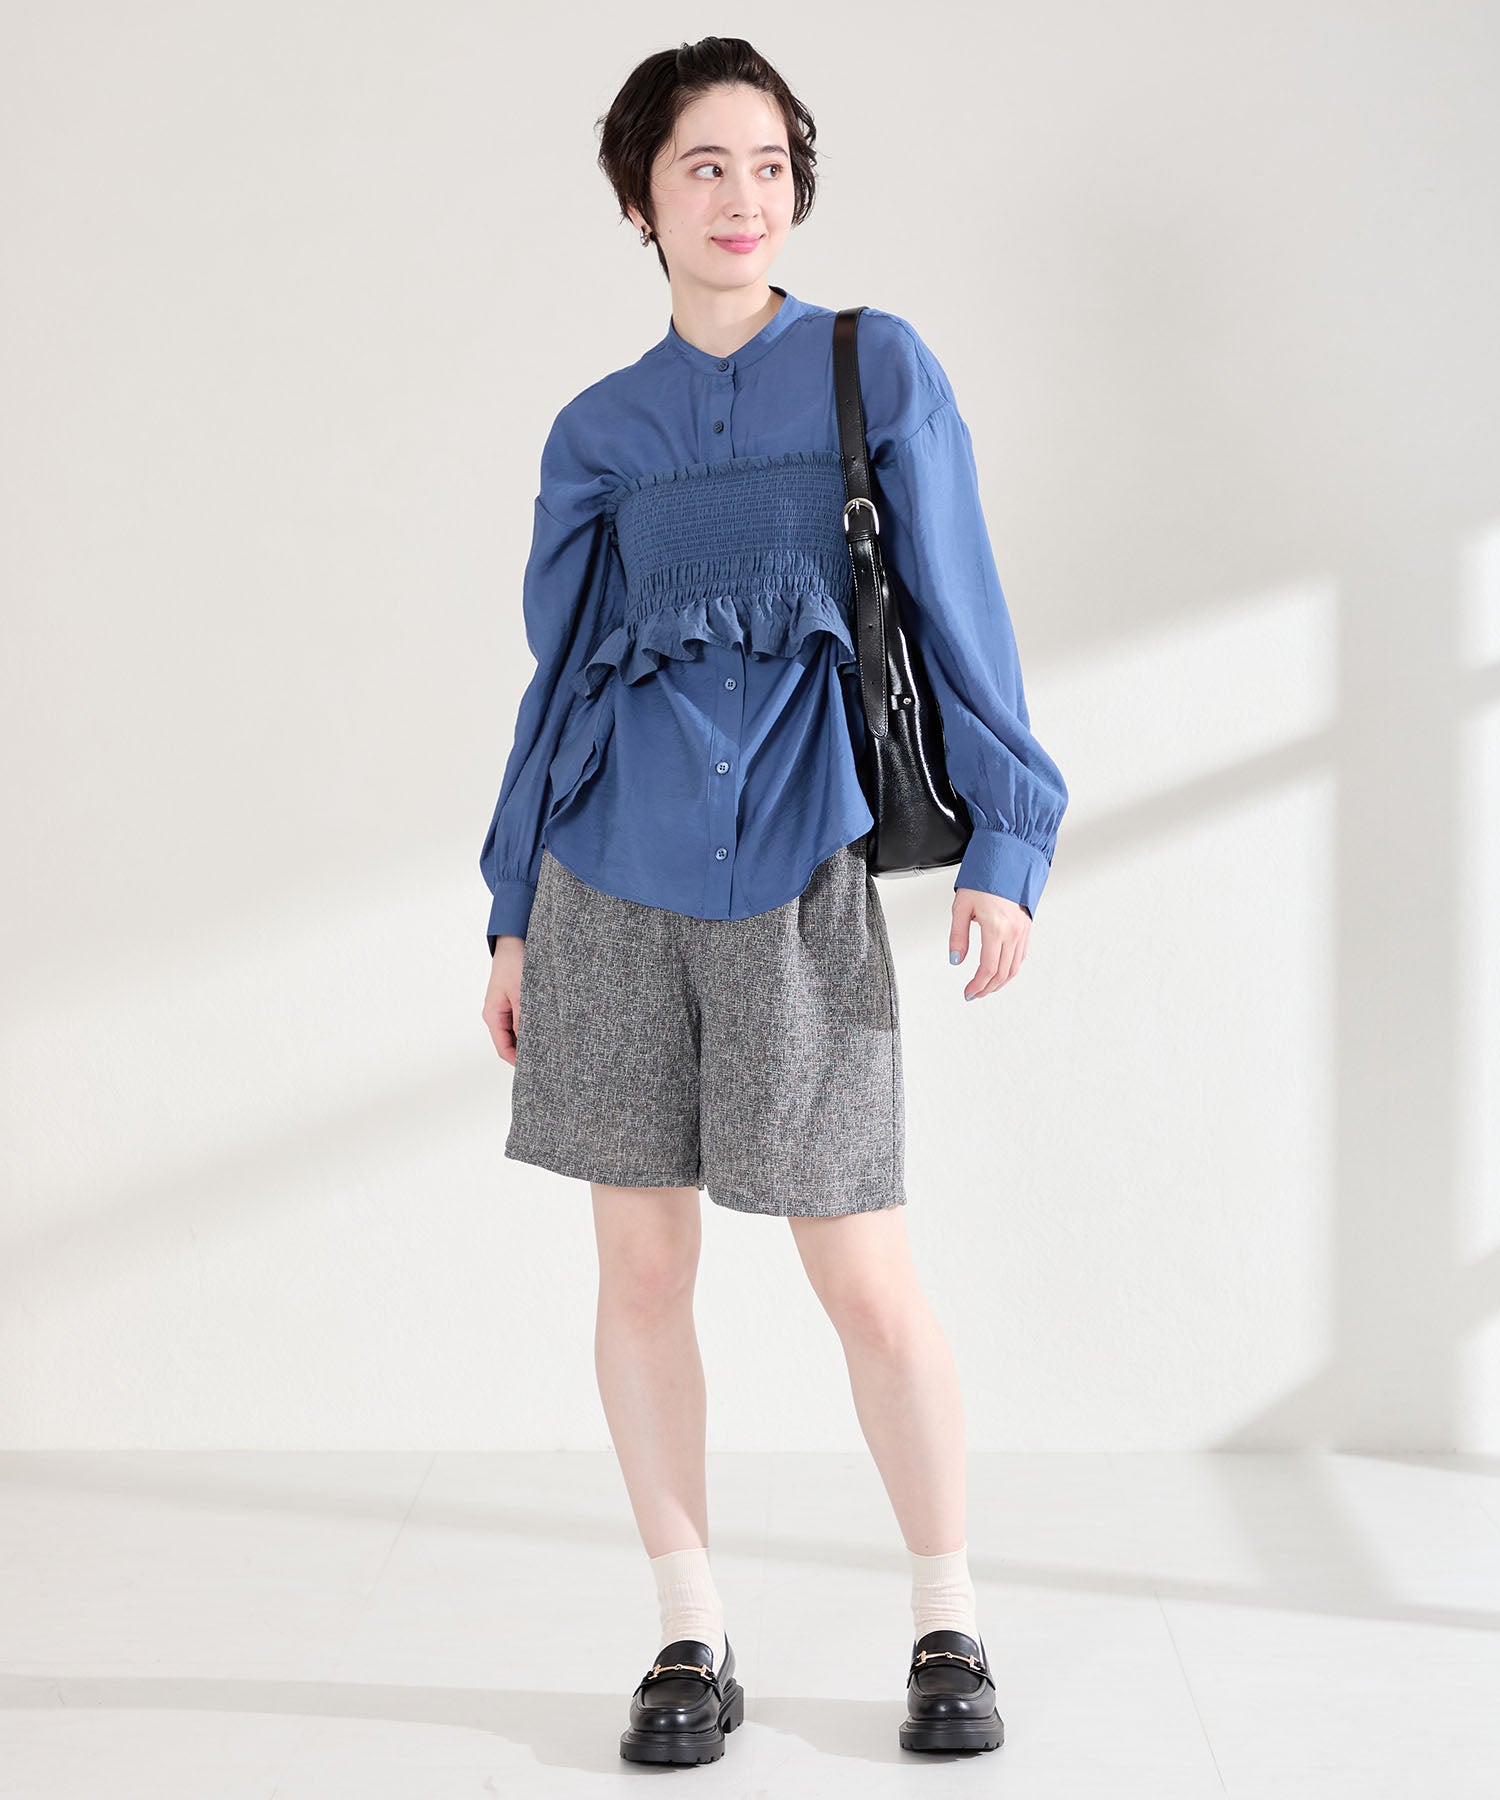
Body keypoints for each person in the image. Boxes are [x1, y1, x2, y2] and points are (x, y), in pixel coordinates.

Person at [478, 36, 1068, 1765]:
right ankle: (689, 1630)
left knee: (864, 1274)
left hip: (803, 875)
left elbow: (960, 612)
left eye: (768, 164)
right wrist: (511, 906)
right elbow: (562, 680)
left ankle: (948, 1618)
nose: (743, 198)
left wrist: (1011, 842)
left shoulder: (874, 369)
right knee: (641, 1269)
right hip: (605, 881)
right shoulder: (599, 431)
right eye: (702, 167)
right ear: (639, 200)